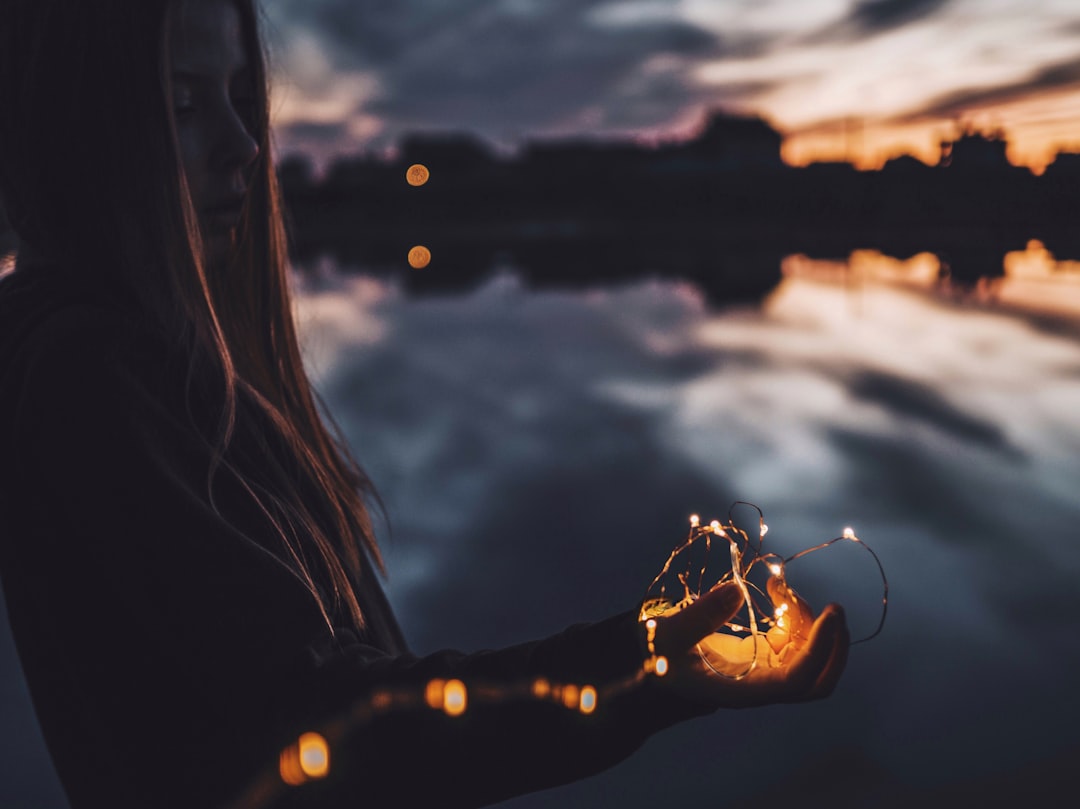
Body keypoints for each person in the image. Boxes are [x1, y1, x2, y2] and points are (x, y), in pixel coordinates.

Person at [0, 1, 850, 807]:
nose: (245, 146)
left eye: (238, 97)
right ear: (76, 127)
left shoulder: (161, 364)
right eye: (184, 103)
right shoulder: (90, 374)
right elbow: (325, 729)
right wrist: (643, 668)